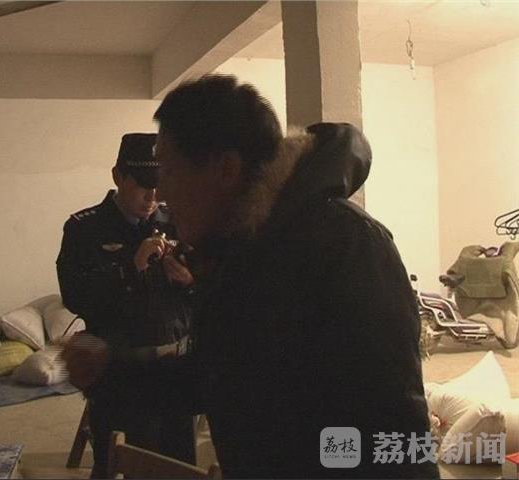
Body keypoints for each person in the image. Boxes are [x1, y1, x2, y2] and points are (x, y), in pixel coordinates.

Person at [66, 76, 439, 478]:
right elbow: (219, 373)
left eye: (169, 171)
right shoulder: (240, 249)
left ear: (225, 169)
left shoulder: (345, 245)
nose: (163, 195)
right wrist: (110, 369)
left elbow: (392, 433)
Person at [57, 133, 196, 478]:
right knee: (119, 465)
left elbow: (210, 293)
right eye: (143, 186)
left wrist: (190, 281)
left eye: (159, 185)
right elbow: (76, 296)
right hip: (119, 374)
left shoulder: (178, 220)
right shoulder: (85, 228)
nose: (153, 197)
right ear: (118, 176)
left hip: (177, 371)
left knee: (180, 466)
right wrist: (130, 268)